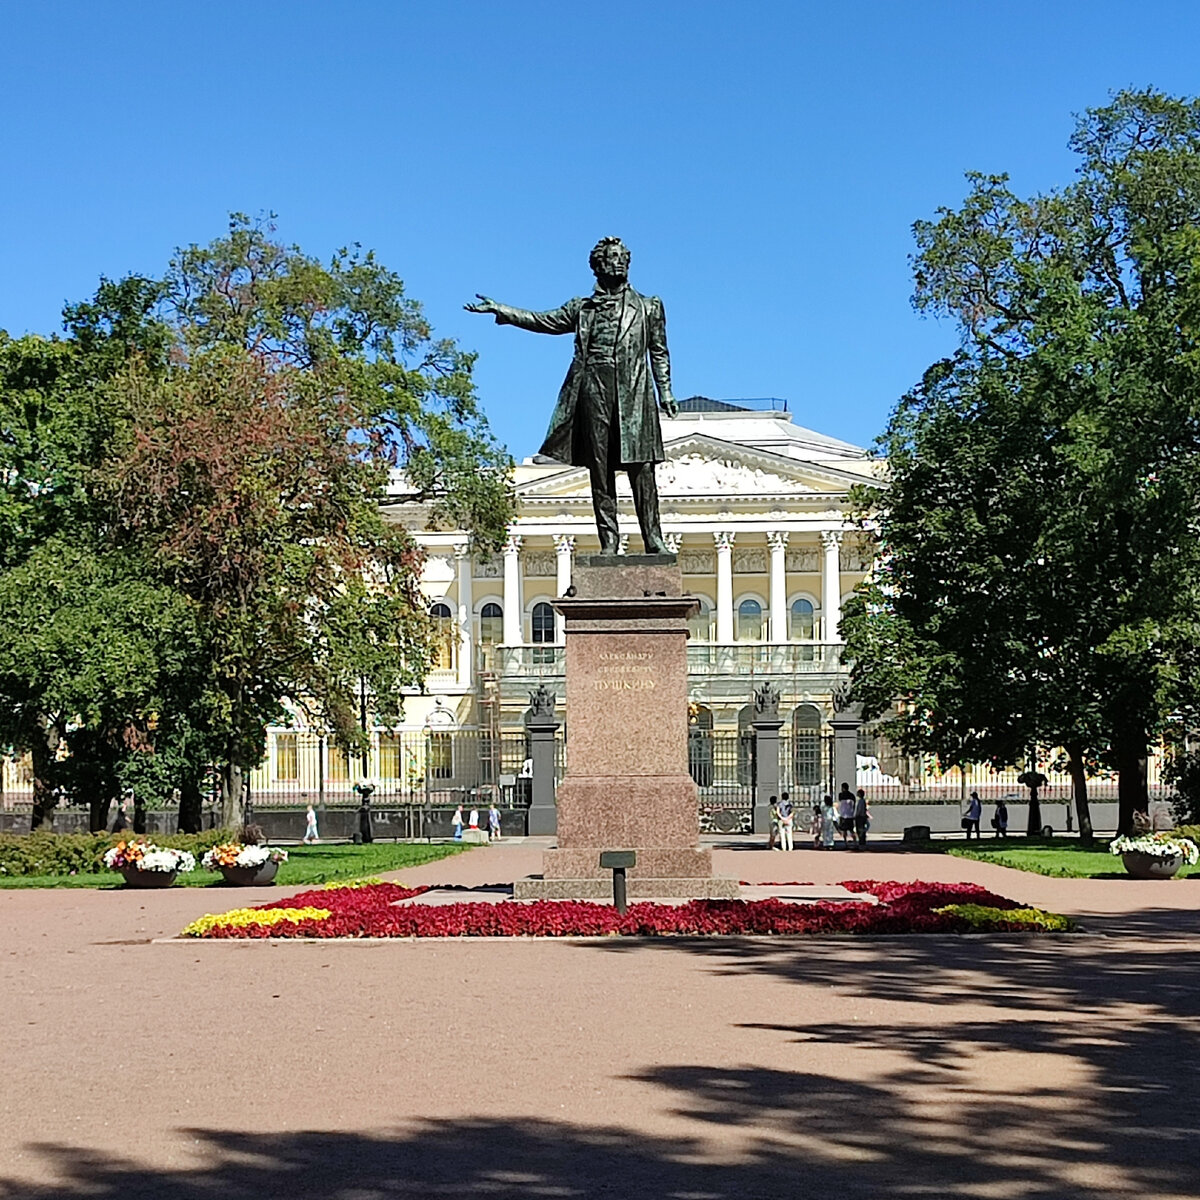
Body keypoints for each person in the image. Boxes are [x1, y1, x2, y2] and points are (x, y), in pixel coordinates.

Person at [466, 237, 678, 554]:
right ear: (598, 265)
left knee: (642, 469)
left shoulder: (649, 306)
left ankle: (653, 540)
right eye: (612, 257)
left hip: (634, 395)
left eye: (623, 257)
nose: (619, 262)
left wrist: (666, 391)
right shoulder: (582, 308)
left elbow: (658, 351)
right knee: (600, 469)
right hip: (593, 391)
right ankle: (609, 541)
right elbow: (544, 320)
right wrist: (503, 310)